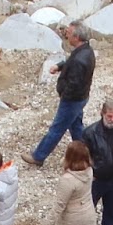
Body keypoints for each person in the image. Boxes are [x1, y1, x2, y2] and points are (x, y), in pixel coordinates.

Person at [24, 22, 95, 168]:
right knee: (76, 128)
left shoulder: (79, 60)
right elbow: (71, 61)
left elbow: (73, 83)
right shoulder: (86, 50)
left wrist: (63, 93)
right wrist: (60, 66)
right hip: (81, 97)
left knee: (57, 129)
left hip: (72, 100)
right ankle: (87, 155)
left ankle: (38, 156)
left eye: (69, 33)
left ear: (76, 37)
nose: (66, 34)